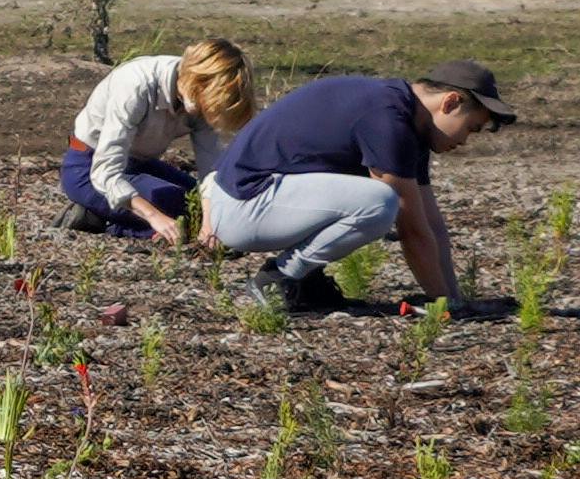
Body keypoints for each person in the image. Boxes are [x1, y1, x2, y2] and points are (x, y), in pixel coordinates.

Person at [198, 60, 511, 315]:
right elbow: (412, 229)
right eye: (471, 127)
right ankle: (280, 278)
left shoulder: (406, 120)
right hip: (243, 206)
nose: (466, 140)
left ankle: (304, 281)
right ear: (450, 102)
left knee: (378, 200)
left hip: (258, 201)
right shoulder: (387, 120)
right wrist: (446, 306)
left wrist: (452, 299)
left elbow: (430, 223)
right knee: (379, 202)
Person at [66, 35, 265, 241]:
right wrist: (155, 217)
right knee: (177, 209)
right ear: (195, 81)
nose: (206, 113)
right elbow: (105, 172)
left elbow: (211, 170)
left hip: (139, 164)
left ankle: (125, 214)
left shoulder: (198, 93)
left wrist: (209, 223)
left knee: (208, 203)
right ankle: (105, 221)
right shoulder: (135, 86)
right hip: (88, 169)